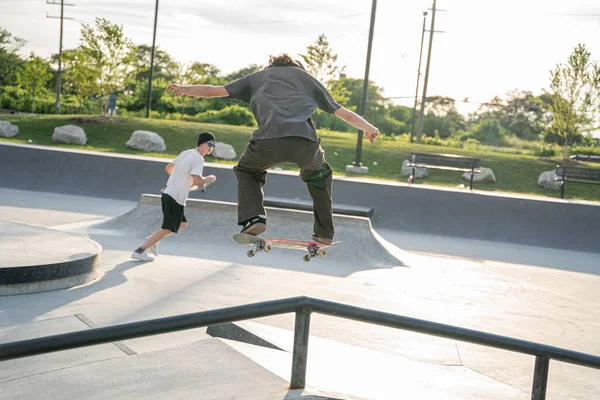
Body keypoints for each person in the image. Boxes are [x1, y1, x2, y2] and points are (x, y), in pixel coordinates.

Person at [166, 53, 379, 245]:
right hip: (305, 144)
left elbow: (212, 91)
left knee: (247, 170)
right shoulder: (306, 79)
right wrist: (369, 128)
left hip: (267, 142)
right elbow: (344, 113)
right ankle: (324, 233)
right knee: (319, 177)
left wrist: (183, 88)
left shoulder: (256, 78)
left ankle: (254, 218)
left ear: (271, 66)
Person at [131, 132, 218, 261]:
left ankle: (153, 241)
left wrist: (178, 181)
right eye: (209, 144)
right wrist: (209, 179)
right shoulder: (199, 158)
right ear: (201, 143)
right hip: (175, 197)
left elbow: (169, 167)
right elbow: (197, 180)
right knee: (167, 227)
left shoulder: (186, 152)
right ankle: (139, 251)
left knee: (182, 224)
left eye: (213, 146)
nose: (211, 148)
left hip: (169, 193)